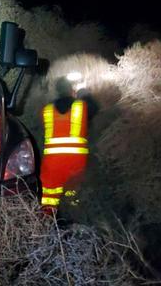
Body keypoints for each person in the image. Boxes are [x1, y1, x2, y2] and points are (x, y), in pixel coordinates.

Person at [39, 73, 98, 216]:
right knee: (73, 195)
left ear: (57, 90)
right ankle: (73, 222)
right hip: (75, 162)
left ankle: (46, 226)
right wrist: (83, 92)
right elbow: (94, 108)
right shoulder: (82, 106)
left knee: (49, 197)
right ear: (72, 89)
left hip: (51, 163)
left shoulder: (46, 110)